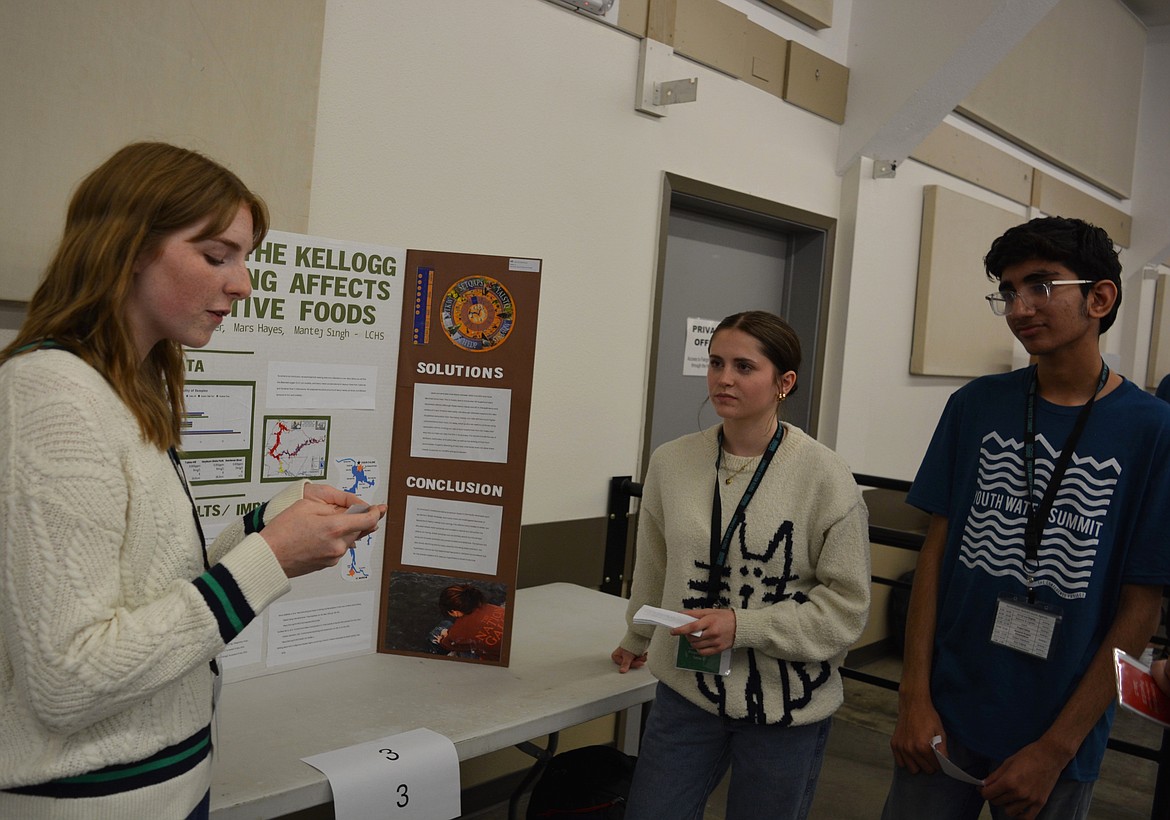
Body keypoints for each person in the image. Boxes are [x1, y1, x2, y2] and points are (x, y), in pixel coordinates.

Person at [0, 142, 387, 820]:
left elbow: (145, 591)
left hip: (171, 782)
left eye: (244, 260)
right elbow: (69, 679)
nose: (241, 284)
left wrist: (268, 528)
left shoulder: (125, 386)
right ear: (128, 249)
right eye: (216, 256)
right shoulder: (51, 397)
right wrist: (268, 562)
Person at [883, 216, 1170, 820]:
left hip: (1059, 728)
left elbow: (1142, 604)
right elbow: (934, 552)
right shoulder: (975, 406)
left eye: (1040, 285)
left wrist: (1057, 747)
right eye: (1008, 292)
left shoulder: (1153, 431)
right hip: (948, 707)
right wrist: (913, 697)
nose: (1019, 307)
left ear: (1100, 297)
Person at [611, 311, 871, 820]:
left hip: (784, 704)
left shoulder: (825, 476)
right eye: (715, 363)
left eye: (744, 367)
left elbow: (845, 610)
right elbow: (655, 564)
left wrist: (743, 625)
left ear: (784, 383)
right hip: (687, 691)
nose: (723, 379)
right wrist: (637, 635)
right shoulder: (672, 461)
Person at [432, 584, 506, 662]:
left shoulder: (458, 630)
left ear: (454, 612)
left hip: (498, 659)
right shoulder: (489, 606)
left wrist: (442, 640)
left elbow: (448, 644)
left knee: (439, 630)